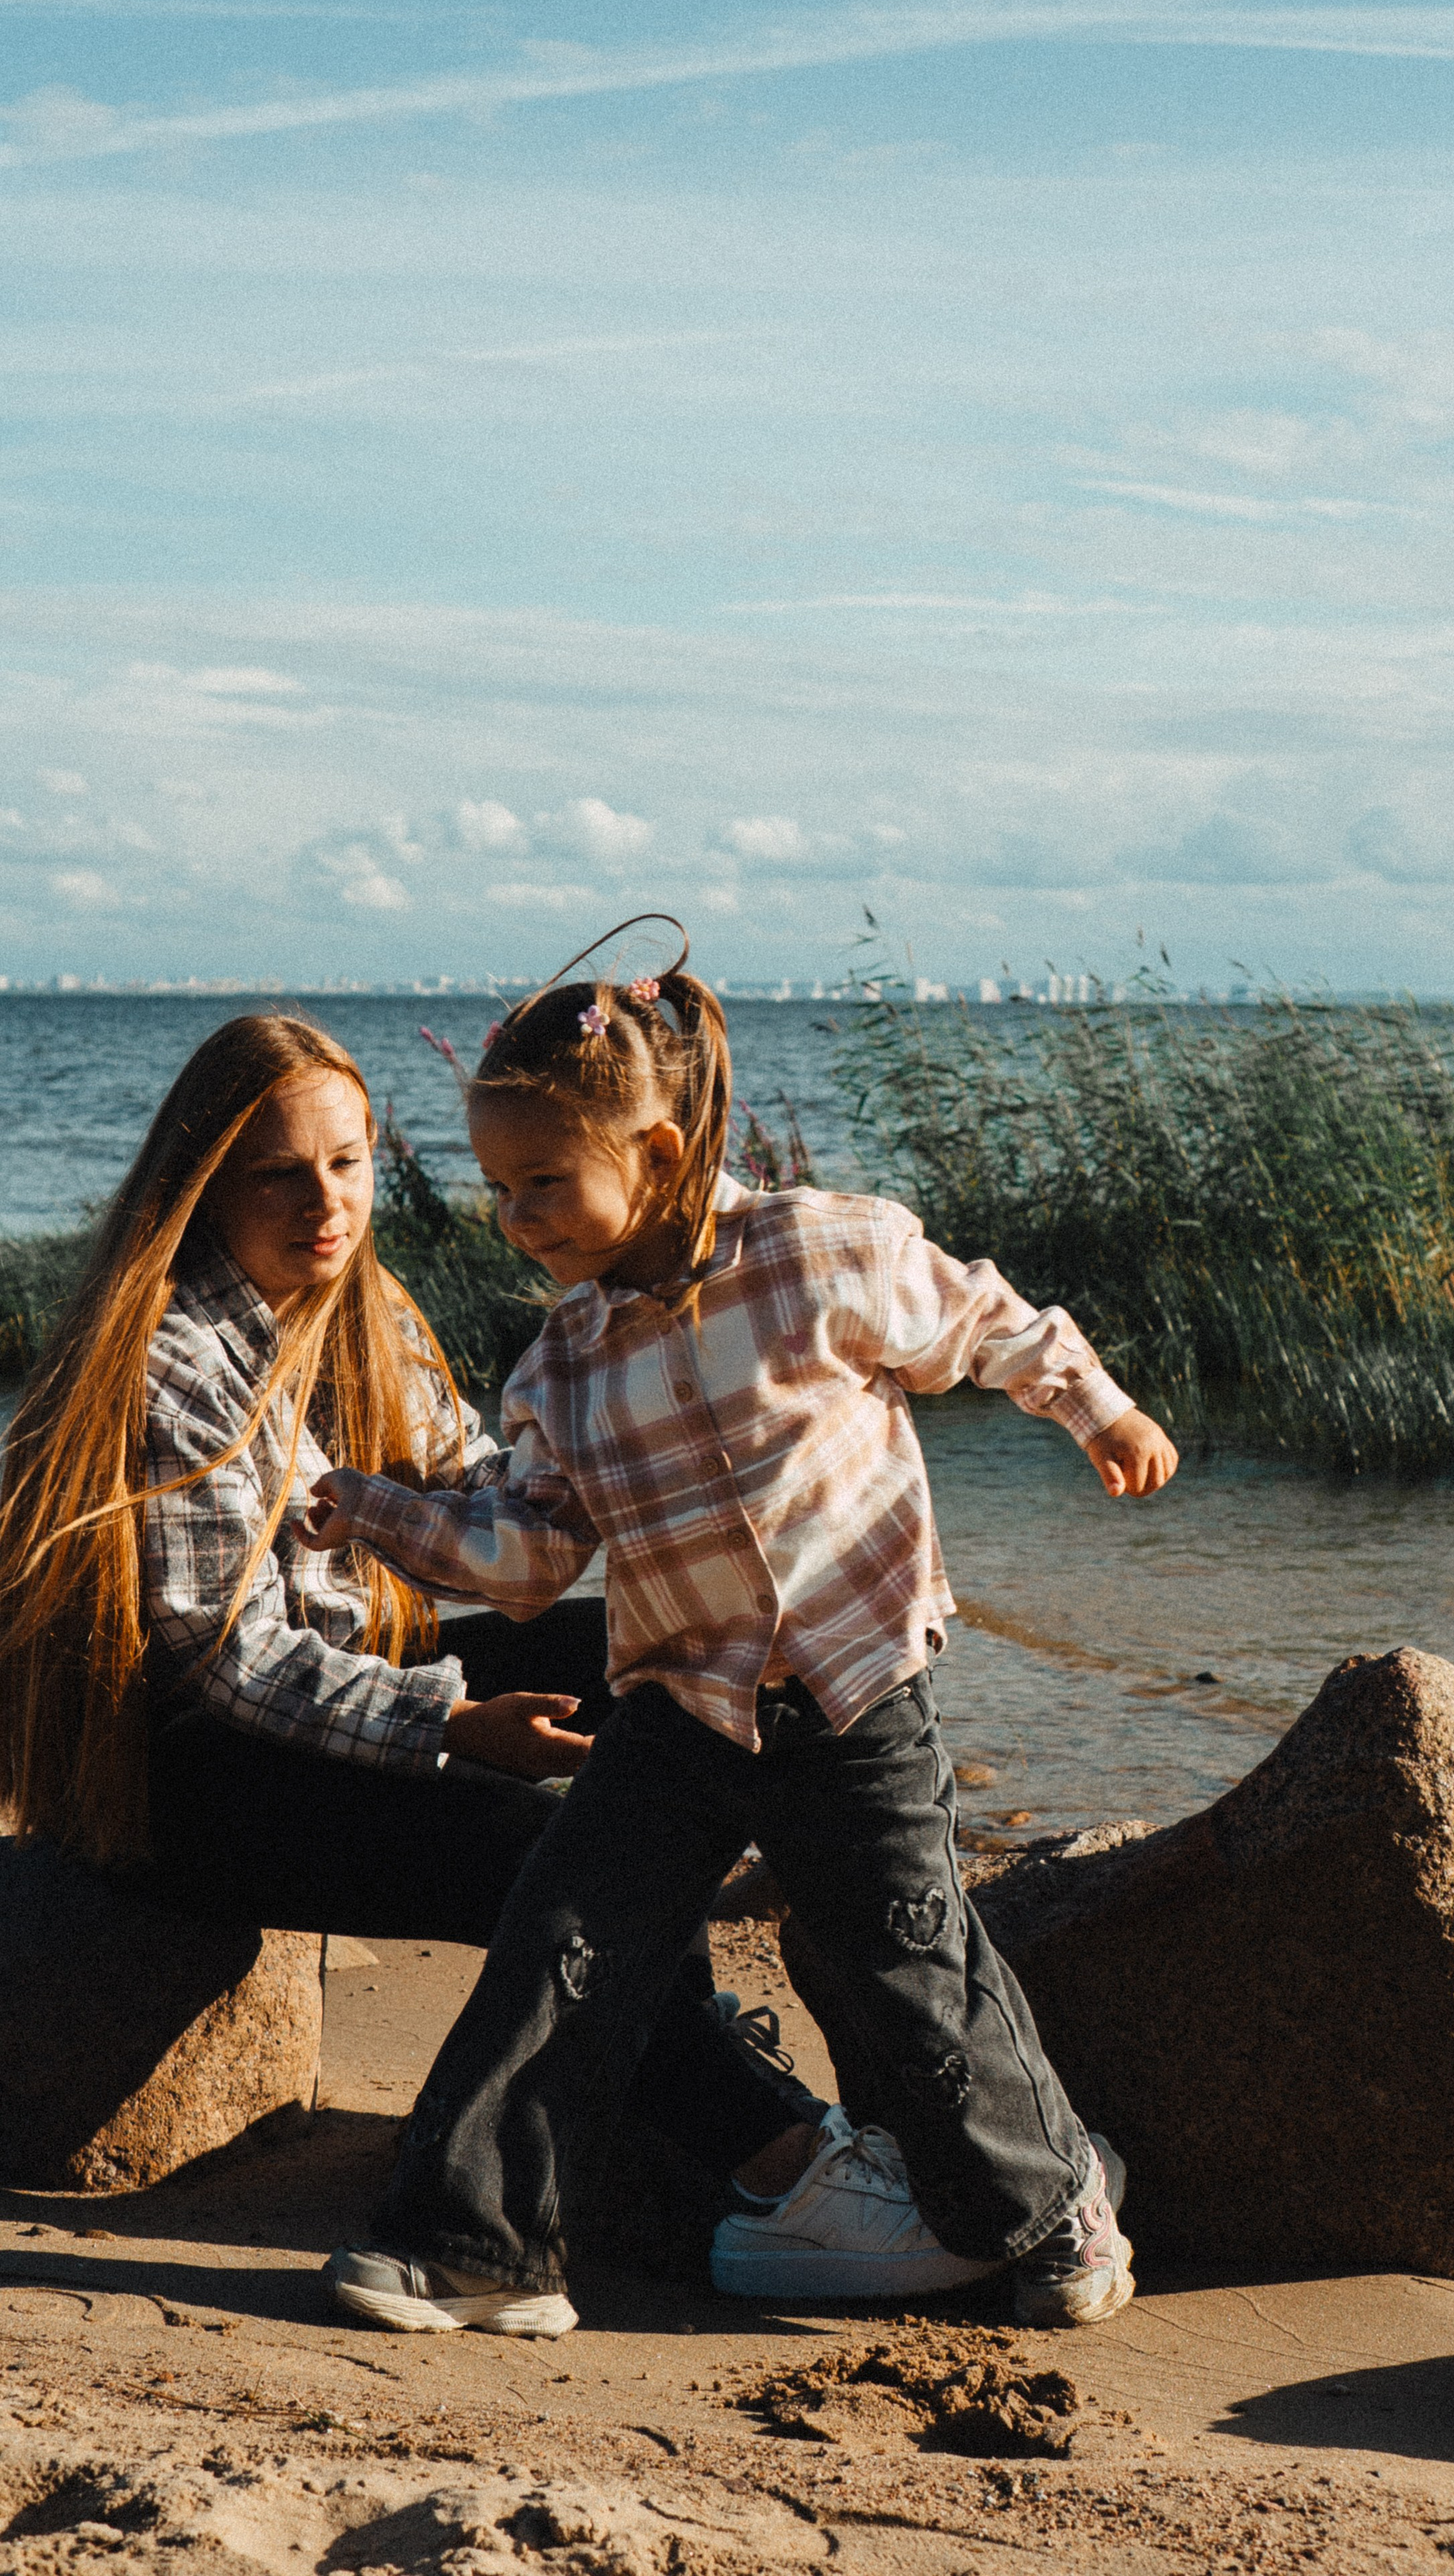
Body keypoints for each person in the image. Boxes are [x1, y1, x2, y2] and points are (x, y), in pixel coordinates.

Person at [305, 922, 1179, 2339]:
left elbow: (988, 1325)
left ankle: (1051, 2209)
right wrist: (373, 1511)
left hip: (853, 1694)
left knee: (906, 1956)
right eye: (499, 1192)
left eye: (543, 1184)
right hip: (675, 1711)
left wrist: (1100, 1408)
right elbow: (527, 1561)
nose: (515, 1217)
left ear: (654, 1152)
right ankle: (477, 2246)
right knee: (561, 1943)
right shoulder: (562, 1368)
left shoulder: (823, 1253)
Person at [0, 1011, 824, 2262]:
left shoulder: (355, 1307)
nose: (327, 1201)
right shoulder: (176, 1359)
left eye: (349, 1160)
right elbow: (225, 1658)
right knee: (537, 1851)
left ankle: (657, 2091)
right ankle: (788, 2156)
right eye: (281, 1170)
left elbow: (486, 1484)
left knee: (655, 1650)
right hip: (186, 1773)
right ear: (205, 1181)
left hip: (338, 1687)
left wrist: (672, 1477)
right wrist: (448, 1727)